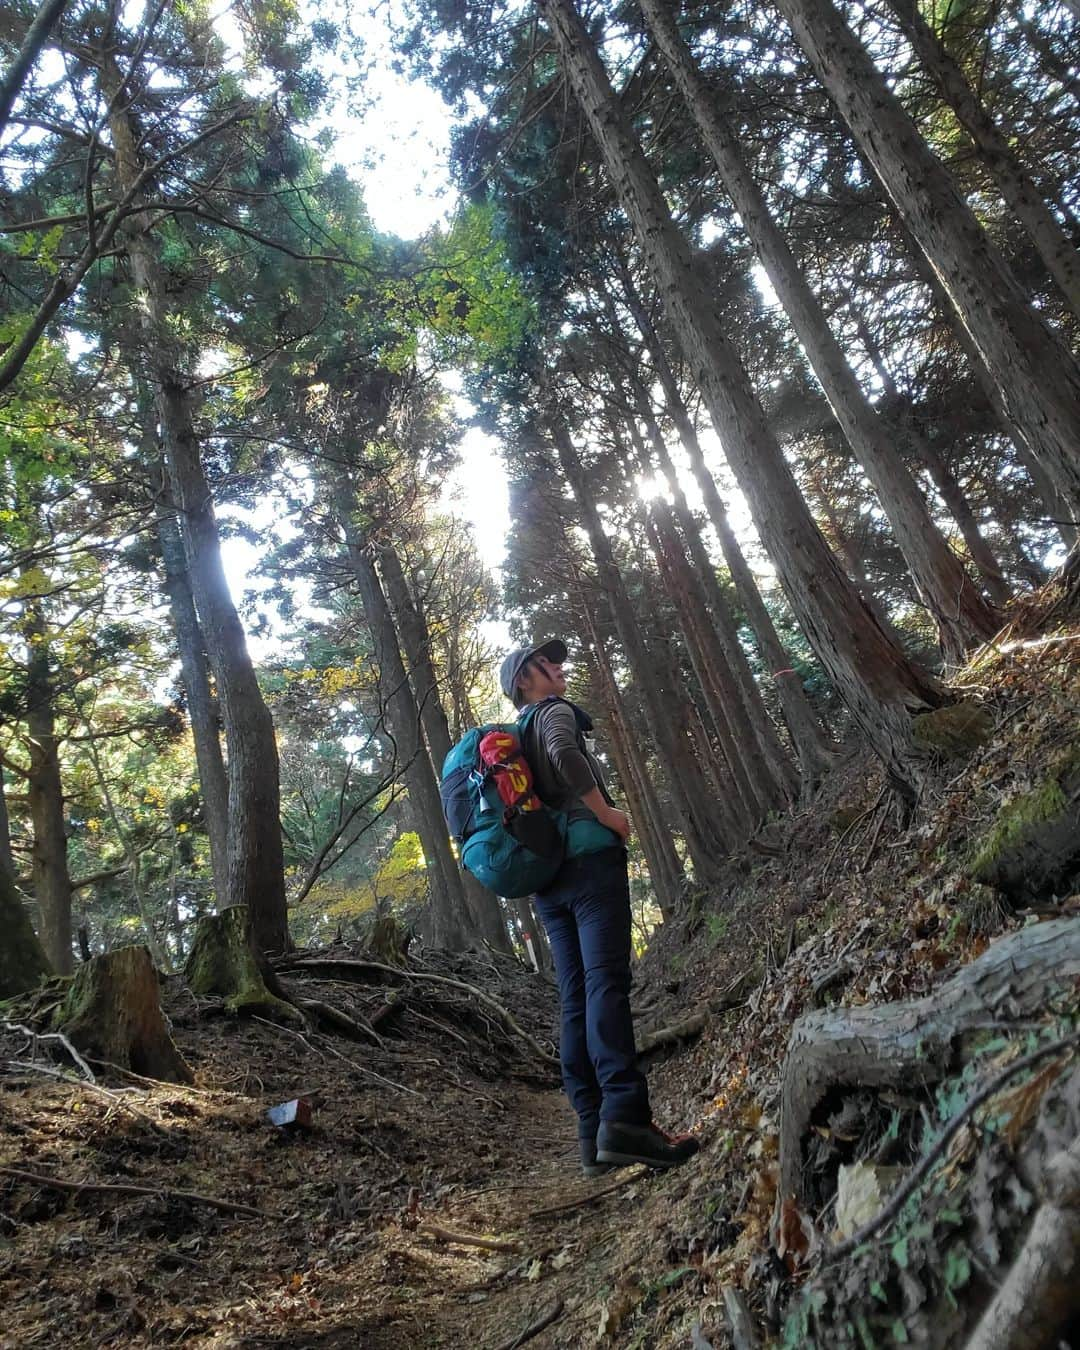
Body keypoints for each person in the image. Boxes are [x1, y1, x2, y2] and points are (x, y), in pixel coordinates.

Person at [500, 639, 700, 1176]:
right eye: (547, 663)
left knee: (575, 996)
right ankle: (626, 1118)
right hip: (590, 863)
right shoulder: (554, 713)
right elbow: (567, 756)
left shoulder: (514, 740)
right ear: (525, 680)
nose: (559, 668)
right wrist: (607, 813)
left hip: (550, 881)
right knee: (606, 985)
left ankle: (591, 1134)